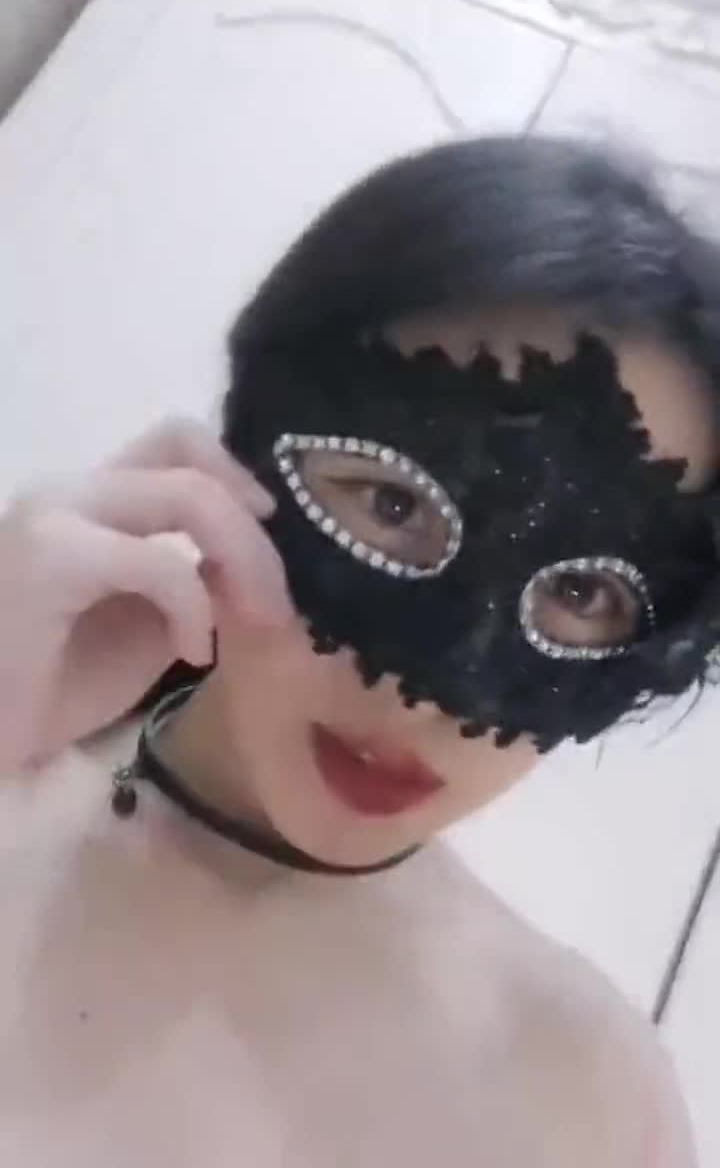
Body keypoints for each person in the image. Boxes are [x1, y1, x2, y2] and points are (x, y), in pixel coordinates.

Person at [0, 135, 709, 1166]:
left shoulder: (588, 1102)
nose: (423, 697)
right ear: (240, 454)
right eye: (392, 502)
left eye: (580, 592)